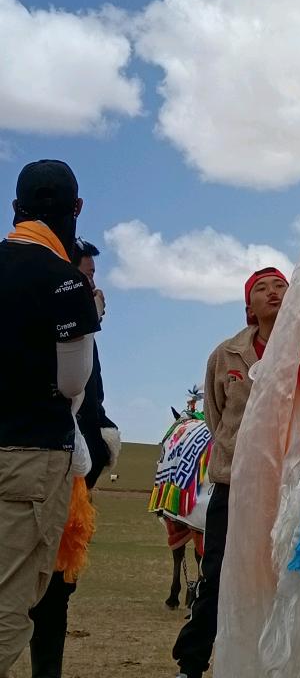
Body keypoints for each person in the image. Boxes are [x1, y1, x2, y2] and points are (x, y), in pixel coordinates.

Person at [0, 161, 101, 677]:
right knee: (9, 610)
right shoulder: (66, 282)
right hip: (29, 458)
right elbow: (71, 385)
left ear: (15, 208)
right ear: (76, 209)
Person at [173, 267, 289, 678]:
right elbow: (215, 415)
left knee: (287, 577)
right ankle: (191, 663)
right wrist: (241, 455)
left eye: (281, 286)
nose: (273, 292)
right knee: (218, 575)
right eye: (262, 288)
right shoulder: (226, 355)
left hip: (289, 485)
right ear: (248, 307)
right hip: (234, 484)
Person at [28, 239, 121, 678]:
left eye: (92, 276)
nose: (92, 284)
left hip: (72, 482)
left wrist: (101, 448)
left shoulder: (85, 336)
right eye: (85, 275)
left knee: (56, 596)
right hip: (32, 470)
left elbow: (93, 406)